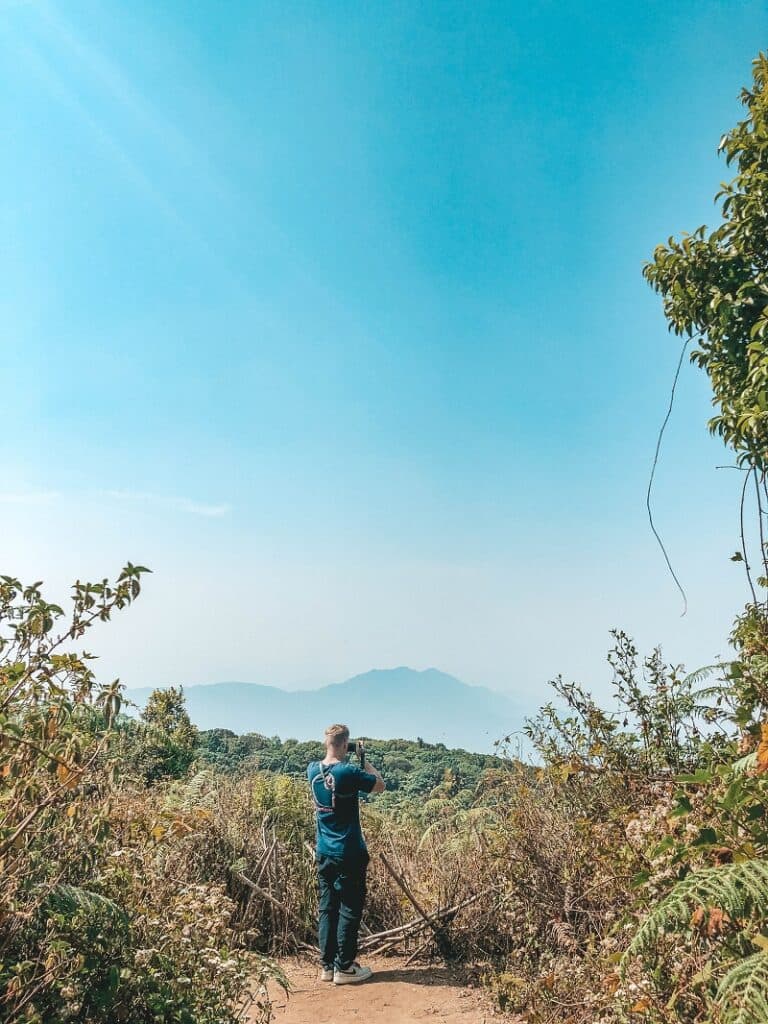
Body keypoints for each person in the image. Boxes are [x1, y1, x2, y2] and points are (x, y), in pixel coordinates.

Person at [307, 723, 385, 985]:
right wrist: (364, 758)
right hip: (349, 851)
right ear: (344, 745)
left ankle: (327, 966)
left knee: (327, 908)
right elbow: (379, 785)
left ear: (326, 742)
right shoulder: (348, 771)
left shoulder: (312, 770)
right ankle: (345, 967)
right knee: (350, 907)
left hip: (324, 851)